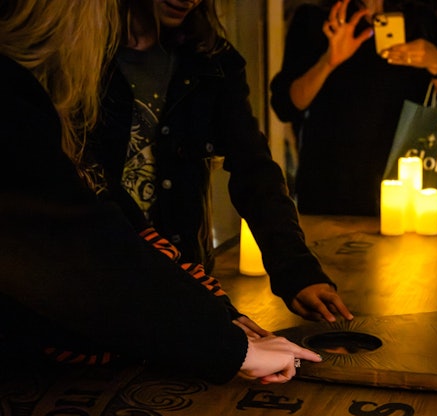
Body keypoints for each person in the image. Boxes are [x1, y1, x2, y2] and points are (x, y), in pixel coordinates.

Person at [0, 0, 321, 385]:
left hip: (166, 289)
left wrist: (285, 275)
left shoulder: (210, 58)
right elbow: (80, 235)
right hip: (96, 308)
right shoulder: (41, 78)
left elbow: (253, 168)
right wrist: (222, 339)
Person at [88, 0, 353, 323]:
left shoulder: (212, 59)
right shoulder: (80, 54)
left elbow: (253, 168)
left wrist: (298, 271)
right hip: (93, 282)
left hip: (182, 281)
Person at [270, 0, 437, 216]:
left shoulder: (421, 22)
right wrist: (328, 62)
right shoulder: (318, 18)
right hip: (331, 191)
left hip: (408, 194)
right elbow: (285, 106)